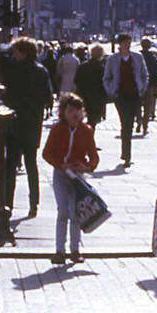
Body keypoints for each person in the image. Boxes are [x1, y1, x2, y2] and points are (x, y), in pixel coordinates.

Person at [41, 91, 100, 265]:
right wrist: (60, 165)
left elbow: (94, 156)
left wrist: (87, 167)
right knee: (63, 212)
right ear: (64, 113)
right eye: (71, 111)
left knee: (75, 213)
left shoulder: (86, 130)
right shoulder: (57, 129)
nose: (75, 115)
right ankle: (60, 251)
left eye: (78, 111)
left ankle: (75, 250)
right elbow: (46, 153)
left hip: (77, 176)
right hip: (61, 174)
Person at [2, 37, 54, 218]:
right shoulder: (41, 71)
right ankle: (33, 204)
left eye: (16, 51)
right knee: (31, 164)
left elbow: (5, 95)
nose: (14, 55)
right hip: (32, 122)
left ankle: (7, 203)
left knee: (10, 165)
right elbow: (48, 97)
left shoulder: (12, 70)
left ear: (24, 53)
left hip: (14, 122)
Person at [102, 33, 149, 168]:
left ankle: (126, 154)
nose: (127, 46)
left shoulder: (137, 57)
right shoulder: (113, 59)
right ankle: (127, 155)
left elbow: (144, 74)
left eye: (129, 43)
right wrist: (111, 91)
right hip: (120, 95)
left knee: (130, 124)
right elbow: (106, 77)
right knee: (125, 123)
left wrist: (143, 88)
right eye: (124, 43)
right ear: (120, 45)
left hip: (135, 94)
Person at [74, 44, 108, 129]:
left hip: (83, 96)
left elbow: (76, 80)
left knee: (81, 118)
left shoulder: (82, 66)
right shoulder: (101, 68)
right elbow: (104, 85)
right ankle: (89, 134)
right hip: (96, 98)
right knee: (92, 121)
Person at [139, 37, 157, 135]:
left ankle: (139, 121)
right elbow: (156, 73)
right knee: (147, 106)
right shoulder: (152, 58)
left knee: (137, 105)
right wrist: (156, 86)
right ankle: (145, 125)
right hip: (150, 86)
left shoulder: (137, 56)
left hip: (138, 85)